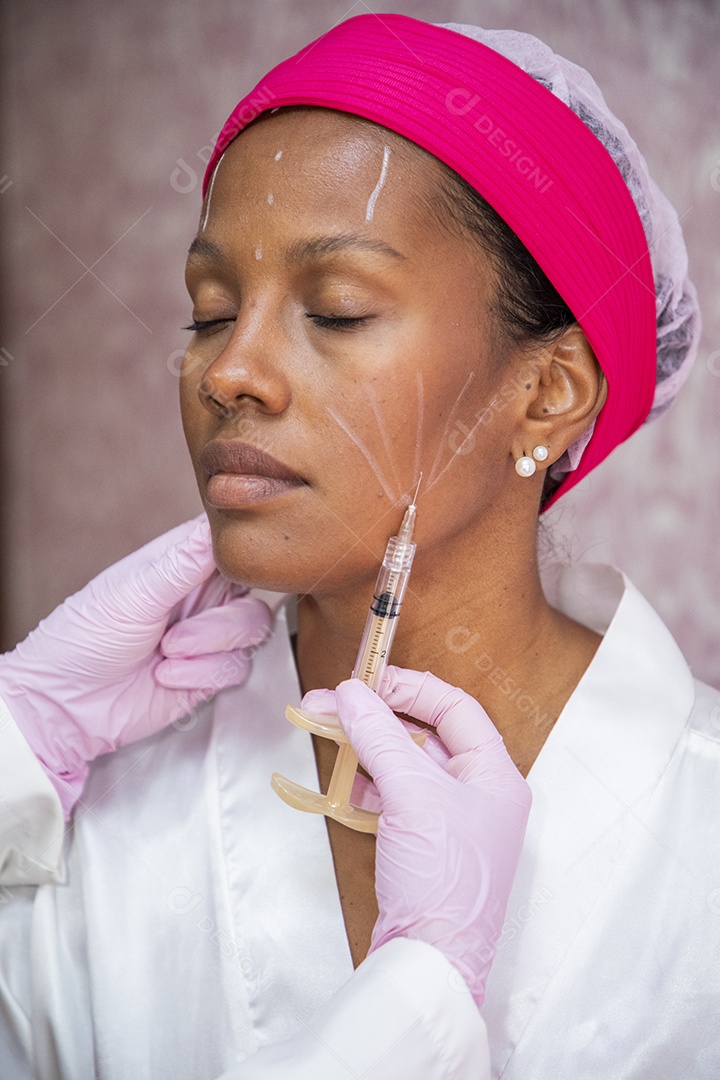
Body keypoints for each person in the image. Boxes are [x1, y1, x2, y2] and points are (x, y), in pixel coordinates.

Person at [0, 12, 717, 1079]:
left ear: (549, 392)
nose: (226, 372)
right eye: (209, 312)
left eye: (335, 311)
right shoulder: (78, 814)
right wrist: (17, 737)